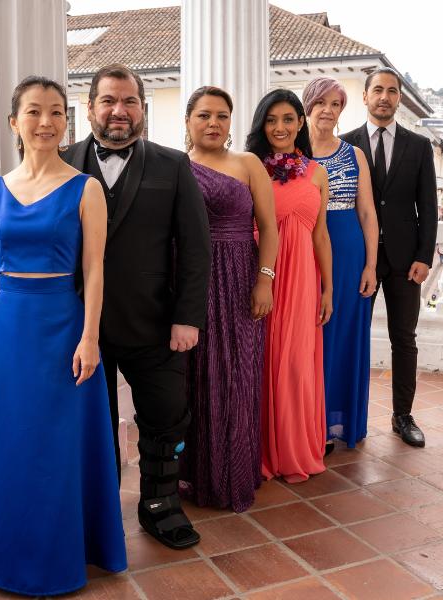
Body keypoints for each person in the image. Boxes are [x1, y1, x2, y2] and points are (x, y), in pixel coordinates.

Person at [0, 76, 127, 595]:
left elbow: (97, 270)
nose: (46, 122)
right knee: (13, 441)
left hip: (62, 327)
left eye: (56, 112)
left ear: (66, 122)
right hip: (8, 328)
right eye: (34, 112)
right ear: (15, 123)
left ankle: (61, 553)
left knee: (56, 444)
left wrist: (89, 337)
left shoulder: (86, 188)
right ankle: (9, 551)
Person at [61, 64, 211, 549]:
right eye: (108, 101)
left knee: (167, 416)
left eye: (129, 102)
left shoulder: (173, 165)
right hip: (80, 326)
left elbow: (195, 247)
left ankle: (160, 506)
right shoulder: (60, 163)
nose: (118, 111)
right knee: (91, 423)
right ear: (89, 109)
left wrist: (188, 316)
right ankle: (94, 515)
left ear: (143, 109)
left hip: (155, 322)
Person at [178, 86, 278, 513]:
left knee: (238, 376)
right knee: (198, 379)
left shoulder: (248, 163)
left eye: (222, 115)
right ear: (188, 122)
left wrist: (265, 281)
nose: (213, 123)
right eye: (204, 115)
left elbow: (270, 228)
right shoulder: (176, 167)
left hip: (241, 279)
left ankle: (234, 474)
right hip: (194, 280)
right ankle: (199, 476)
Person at [340, 67, 437, 447]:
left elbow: (427, 206)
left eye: (391, 91)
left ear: (399, 99)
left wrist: (424, 256)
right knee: (351, 338)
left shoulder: (418, 146)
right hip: (357, 259)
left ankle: (402, 416)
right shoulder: (344, 144)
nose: (384, 96)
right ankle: (346, 415)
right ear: (364, 97)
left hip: (403, 260)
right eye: (377, 90)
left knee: (404, 339)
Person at [247, 88, 333, 482]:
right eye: (271, 119)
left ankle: (295, 449)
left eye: (287, 119)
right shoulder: (250, 167)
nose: (279, 127)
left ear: (301, 123)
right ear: (262, 125)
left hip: (303, 281)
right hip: (261, 276)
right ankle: (261, 449)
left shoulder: (318, 172)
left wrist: (327, 288)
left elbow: (320, 236)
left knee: (297, 362)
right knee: (262, 362)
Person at [303, 76, 377, 452]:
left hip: (349, 255)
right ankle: (306, 422)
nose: (328, 111)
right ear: (307, 107)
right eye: (321, 103)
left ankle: (332, 422)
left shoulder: (354, 154)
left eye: (336, 105)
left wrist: (371, 266)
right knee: (310, 337)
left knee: (343, 336)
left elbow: (366, 212)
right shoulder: (292, 157)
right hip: (304, 253)